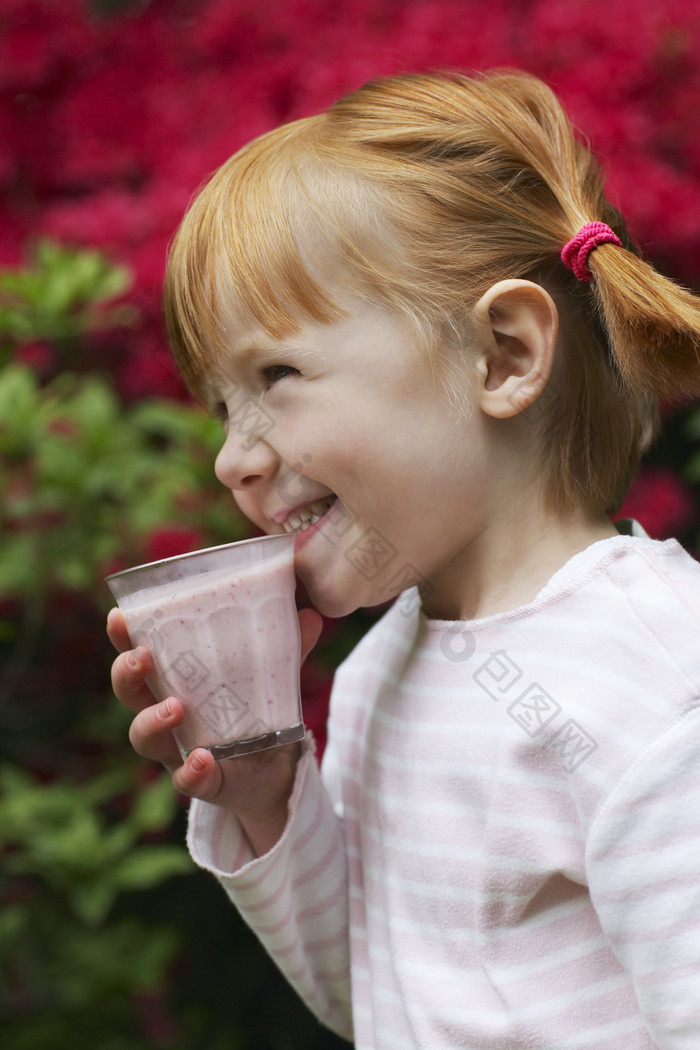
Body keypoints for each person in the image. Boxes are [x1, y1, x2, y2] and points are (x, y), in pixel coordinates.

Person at [108, 69, 700, 1049]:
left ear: (502, 356)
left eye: (277, 376)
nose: (231, 457)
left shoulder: (650, 678)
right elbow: (374, 996)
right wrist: (267, 801)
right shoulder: (389, 664)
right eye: (223, 405)